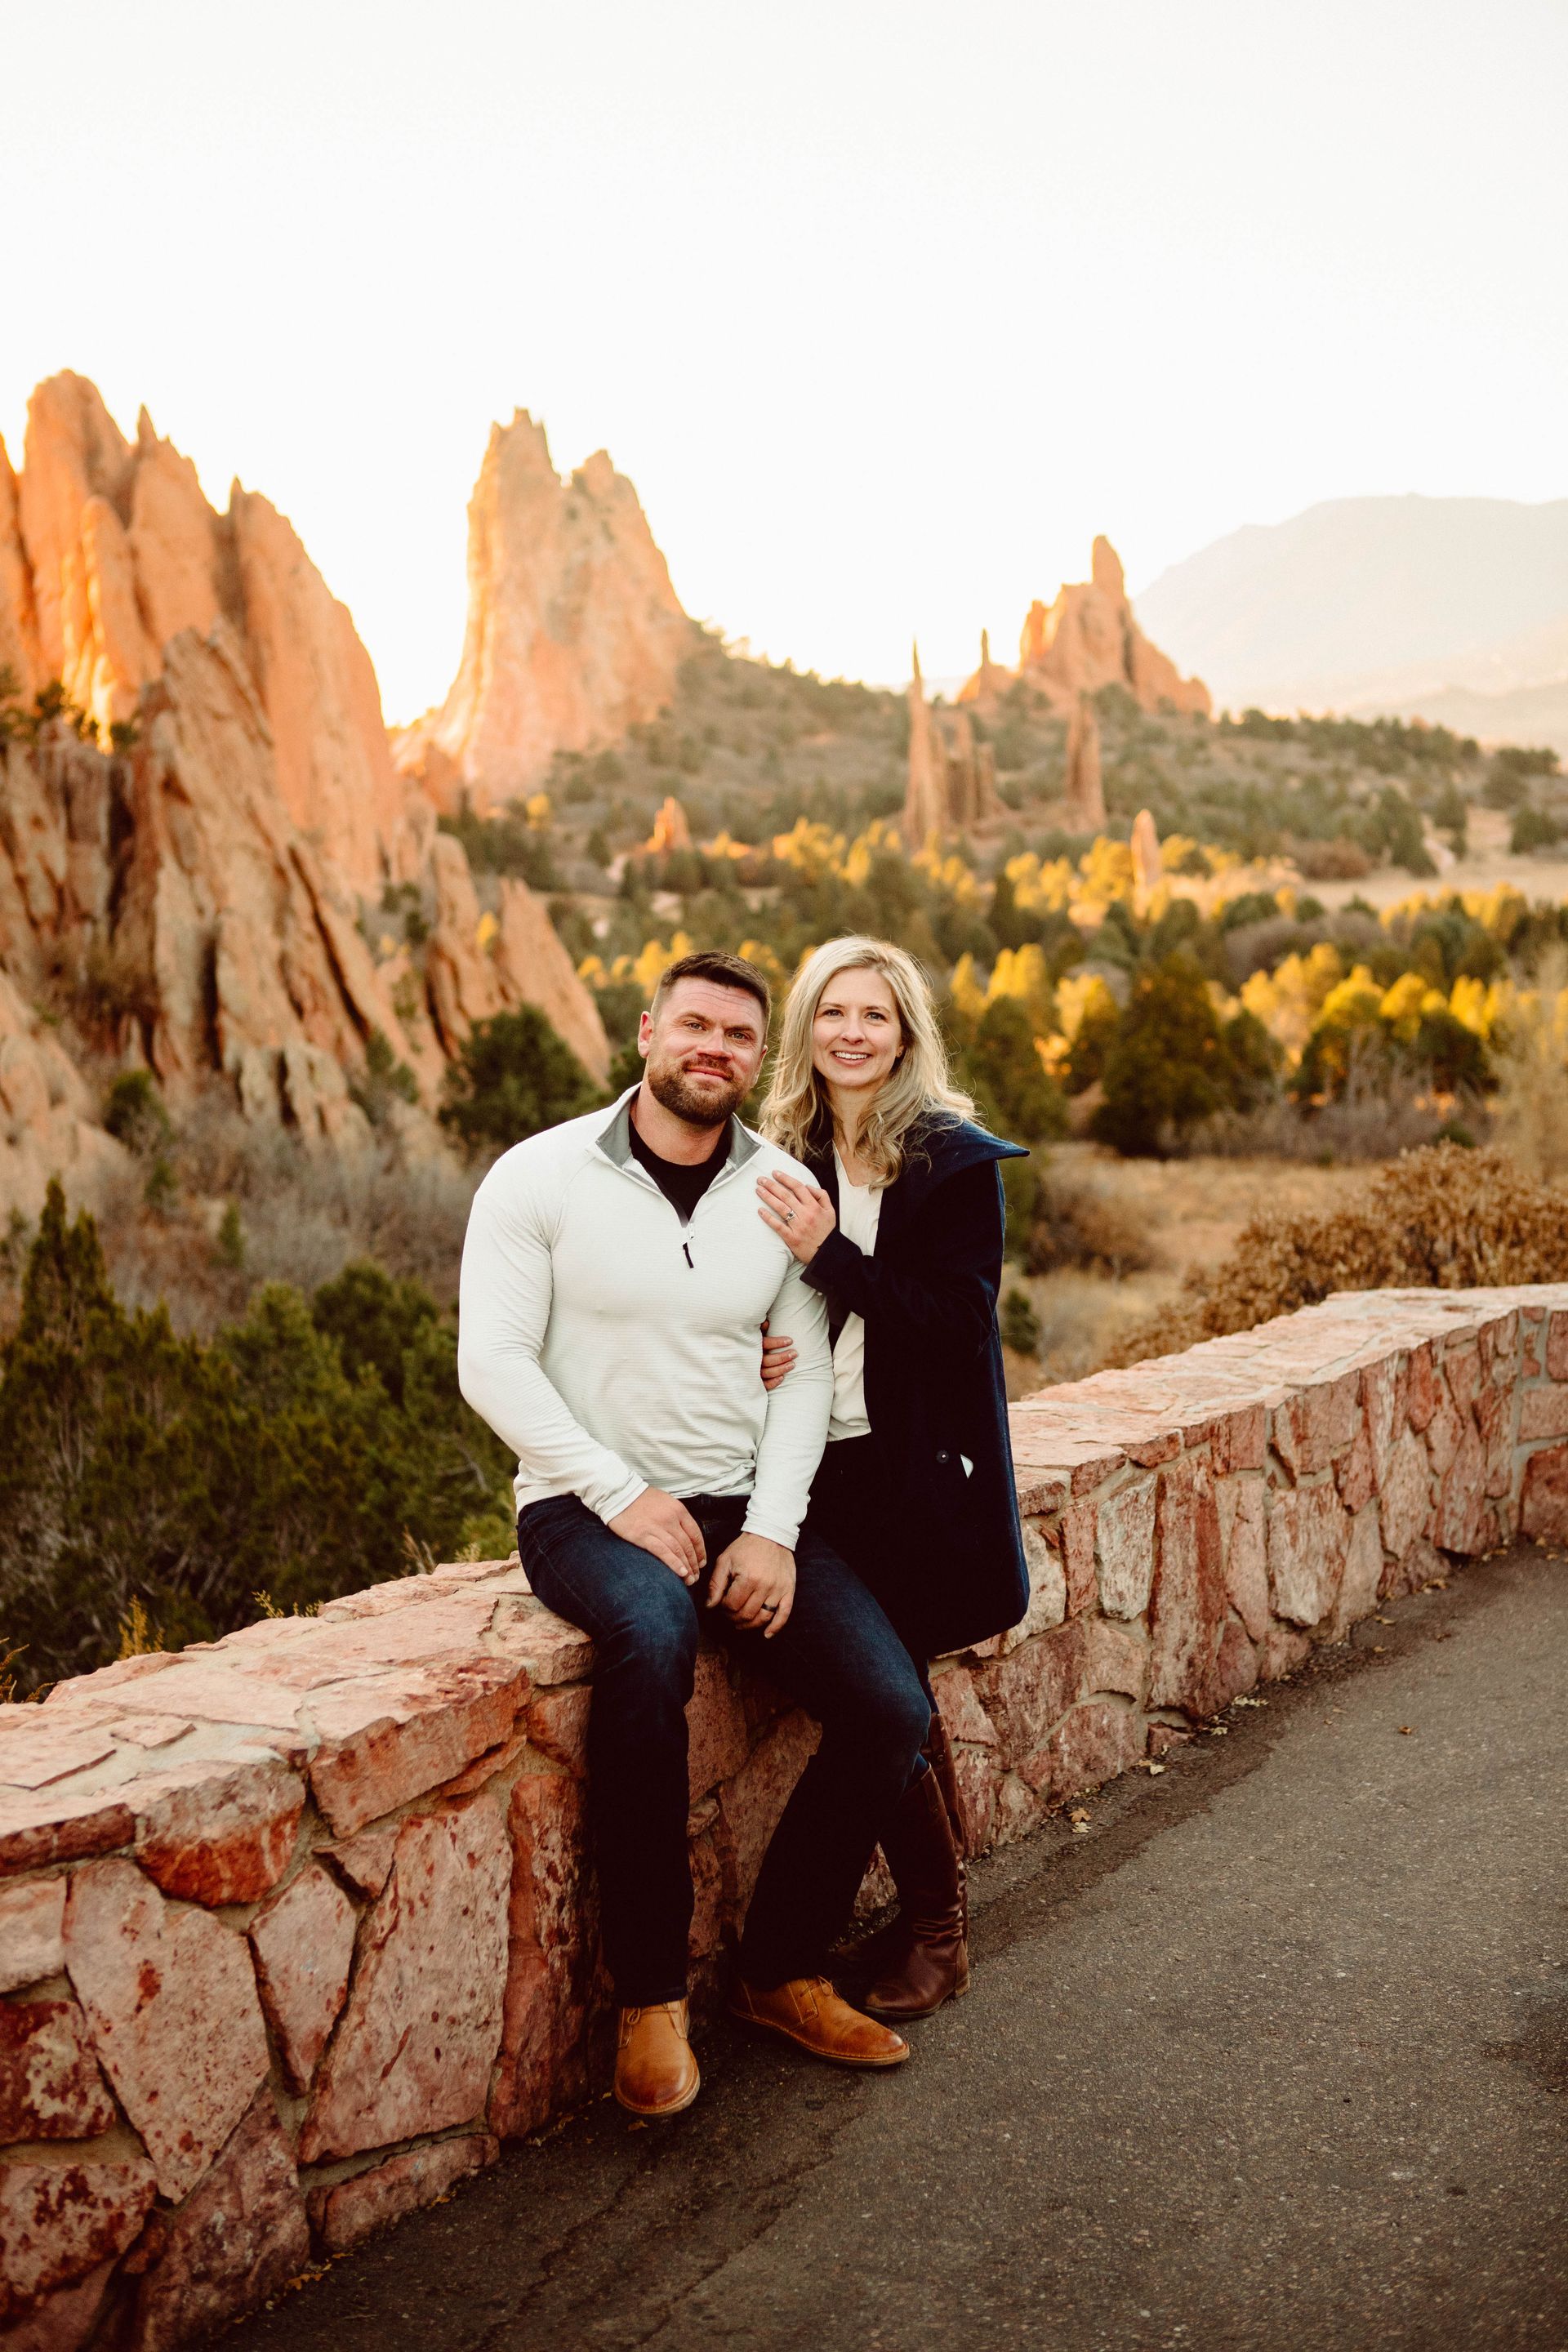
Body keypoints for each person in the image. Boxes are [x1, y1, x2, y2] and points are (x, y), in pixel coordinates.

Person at [457, 948, 931, 2120]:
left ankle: (778, 1968)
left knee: (889, 1708)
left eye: (737, 1038)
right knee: (652, 1638)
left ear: (755, 1060)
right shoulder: (541, 1176)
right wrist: (618, 1494)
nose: (713, 1051)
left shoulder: (781, 1195)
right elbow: (492, 1364)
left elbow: (806, 1376)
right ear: (646, 1033)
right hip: (581, 1505)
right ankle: (651, 2000)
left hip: (743, 1502)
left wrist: (771, 1532)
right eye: (695, 1028)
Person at [755, 935, 1030, 2020]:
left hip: (915, 1476)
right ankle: (936, 1921)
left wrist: (836, 1258)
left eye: (875, 1015)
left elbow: (956, 1329)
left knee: (893, 1694)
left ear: (905, 1033)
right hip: (814, 1473)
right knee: (890, 1691)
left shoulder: (952, 1162)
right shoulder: (781, 1155)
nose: (853, 1034)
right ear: (807, 1031)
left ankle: (938, 1932)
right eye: (833, 1013)